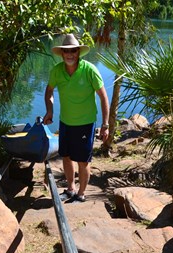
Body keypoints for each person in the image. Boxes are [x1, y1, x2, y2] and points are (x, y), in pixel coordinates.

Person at [43, 33, 110, 203]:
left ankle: (81, 194)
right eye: (67, 51)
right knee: (66, 157)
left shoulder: (89, 70)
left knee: (82, 160)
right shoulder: (57, 71)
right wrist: (49, 111)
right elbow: (49, 90)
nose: (70, 54)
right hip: (65, 122)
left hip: (85, 123)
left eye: (73, 51)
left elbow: (103, 97)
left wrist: (105, 124)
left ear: (78, 52)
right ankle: (71, 189)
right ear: (62, 54)